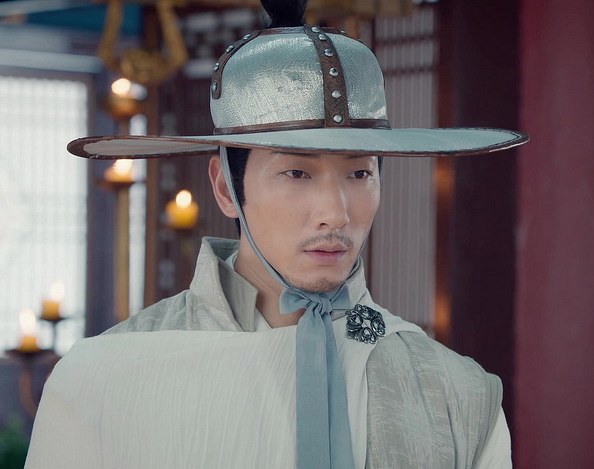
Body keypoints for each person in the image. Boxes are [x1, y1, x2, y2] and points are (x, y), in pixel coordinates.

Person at [25, 0, 528, 467]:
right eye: (297, 173)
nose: (335, 213)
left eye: (359, 173)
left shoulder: (457, 393)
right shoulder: (105, 376)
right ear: (226, 188)